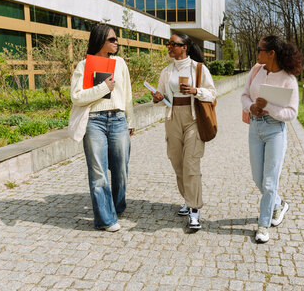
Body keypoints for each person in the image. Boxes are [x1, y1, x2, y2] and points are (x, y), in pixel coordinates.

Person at [70, 24, 135, 232]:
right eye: (112, 40)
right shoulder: (83, 65)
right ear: (100, 40)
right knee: (98, 173)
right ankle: (105, 219)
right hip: (94, 121)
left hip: (118, 119)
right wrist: (103, 88)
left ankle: (116, 207)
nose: (117, 43)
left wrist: (130, 120)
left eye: (116, 39)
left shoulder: (120, 63)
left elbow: (127, 94)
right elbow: (77, 97)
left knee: (121, 170)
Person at [151, 33, 216, 230]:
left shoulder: (198, 68)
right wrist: (158, 97)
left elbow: (212, 93)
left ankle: (195, 209)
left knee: (191, 163)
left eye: (173, 44)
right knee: (177, 162)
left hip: (193, 118)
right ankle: (187, 199)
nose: (169, 47)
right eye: (168, 44)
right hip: (172, 117)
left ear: (185, 47)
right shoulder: (166, 71)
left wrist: (195, 91)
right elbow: (161, 97)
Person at [241, 35, 302, 243]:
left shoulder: (288, 79)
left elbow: (292, 113)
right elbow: (244, 96)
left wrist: (267, 107)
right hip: (255, 128)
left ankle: (263, 225)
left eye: (260, 50)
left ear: (271, 53)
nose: (257, 53)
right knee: (258, 178)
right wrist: (252, 107)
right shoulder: (256, 70)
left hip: (275, 130)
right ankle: (279, 204)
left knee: (269, 181)